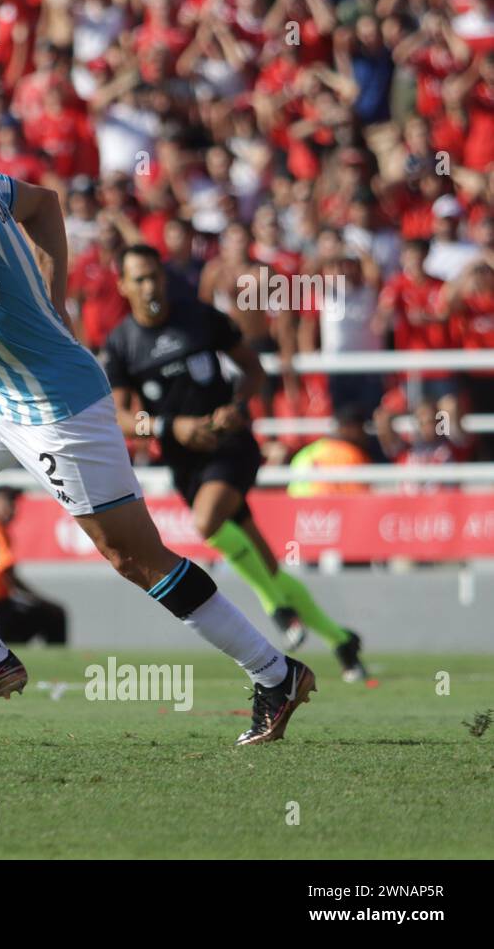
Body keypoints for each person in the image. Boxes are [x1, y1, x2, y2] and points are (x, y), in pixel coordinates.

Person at [0, 87, 314, 744]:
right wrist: (54, 293)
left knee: (136, 559)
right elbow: (46, 204)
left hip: (55, 405)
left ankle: (275, 673)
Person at [104, 244, 368, 684]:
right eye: (140, 279)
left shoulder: (201, 318)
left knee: (207, 522)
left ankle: (274, 606)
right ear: (123, 286)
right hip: (184, 460)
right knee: (262, 559)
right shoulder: (122, 344)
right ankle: (340, 638)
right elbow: (120, 418)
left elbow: (254, 372)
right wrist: (172, 428)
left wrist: (236, 405)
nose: (150, 285)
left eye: (155, 276)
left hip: (230, 446)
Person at [0, 486, 68, 646]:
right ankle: (57, 665)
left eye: (14, 503)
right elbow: (1, 571)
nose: (13, 509)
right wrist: (38, 599)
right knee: (54, 615)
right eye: (7, 502)